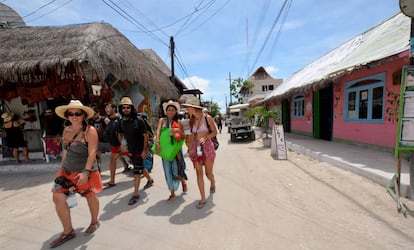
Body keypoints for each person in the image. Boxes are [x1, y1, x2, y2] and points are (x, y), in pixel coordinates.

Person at [50, 100, 102, 248]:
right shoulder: (66, 130)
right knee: (57, 197)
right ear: (67, 115)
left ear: (83, 115)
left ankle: (94, 221)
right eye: (71, 113)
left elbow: (92, 152)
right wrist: (61, 169)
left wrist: (86, 172)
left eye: (77, 113)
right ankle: (68, 231)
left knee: (90, 196)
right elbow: (65, 150)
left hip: (84, 171)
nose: (74, 116)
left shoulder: (90, 131)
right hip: (66, 171)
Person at [182, 96, 217, 209]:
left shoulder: (207, 118)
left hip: (207, 148)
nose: (186, 109)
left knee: (208, 173)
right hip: (196, 149)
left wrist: (206, 137)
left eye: (187, 107)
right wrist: (189, 147)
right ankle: (203, 198)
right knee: (199, 173)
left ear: (193, 107)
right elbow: (192, 135)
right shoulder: (191, 120)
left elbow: (214, 132)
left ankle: (212, 182)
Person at [118, 96, 154, 205]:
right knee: (139, 167)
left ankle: (135, 194)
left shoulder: (138, 120)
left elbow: (146, 135)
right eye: (123, 108)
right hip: (130, 149)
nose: (126, 110)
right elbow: (120, 133)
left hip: (139, 149)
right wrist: (122, 144)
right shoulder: (121, 121)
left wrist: (144, 150)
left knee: (136, 171)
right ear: (121, 109)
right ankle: (150, 179)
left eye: (128, 107)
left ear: (131, 108)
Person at [155, 100, 188, 202]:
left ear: (176, 111)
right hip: (165, 150)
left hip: (176, 151)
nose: (170, 112)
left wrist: (177, 131)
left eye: (173, 110)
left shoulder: (178, 122)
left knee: (176, 170)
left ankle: (182, 181)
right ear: (166, 111)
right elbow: (158, 131)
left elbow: (184, 137)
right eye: (169, 110)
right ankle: (172, 192)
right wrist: (157, 142)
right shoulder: (162, 120)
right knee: (167, 171)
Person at [102, 103, 130, 188]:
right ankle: (112, 181)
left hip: (120, 144)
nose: (107, 109)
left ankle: (146, 175)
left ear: (114, 109)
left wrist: (122, 145)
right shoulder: (109, 119)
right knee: (113, 160)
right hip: (115, 144)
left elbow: (121, 133)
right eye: (106, 107)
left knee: (133, 158)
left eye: (108, 107)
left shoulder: (119, 119)